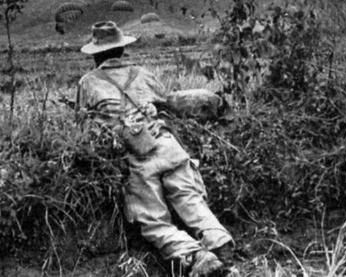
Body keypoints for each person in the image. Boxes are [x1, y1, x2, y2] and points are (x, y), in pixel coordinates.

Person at [72, 21, 235, 276]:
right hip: (168, 145)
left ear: (95, 54)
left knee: (153, 221)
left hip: (136, 156)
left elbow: (82, 129)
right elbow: (167, 102)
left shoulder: (88, 82)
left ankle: (194, 256)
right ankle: (221, 244)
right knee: (190, 199)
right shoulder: (143, 73)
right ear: (121, 49)